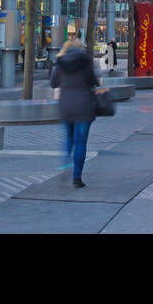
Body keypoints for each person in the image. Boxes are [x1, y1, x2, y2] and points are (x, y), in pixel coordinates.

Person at [50, 35, 103, 189]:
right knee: (80, 142)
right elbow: (95, 82)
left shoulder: (60, 63)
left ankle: (66, 164)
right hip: (84, 106)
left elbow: (53, 84)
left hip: (66, 105)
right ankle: (77, 177)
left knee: (68, 138)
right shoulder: (86, 62)